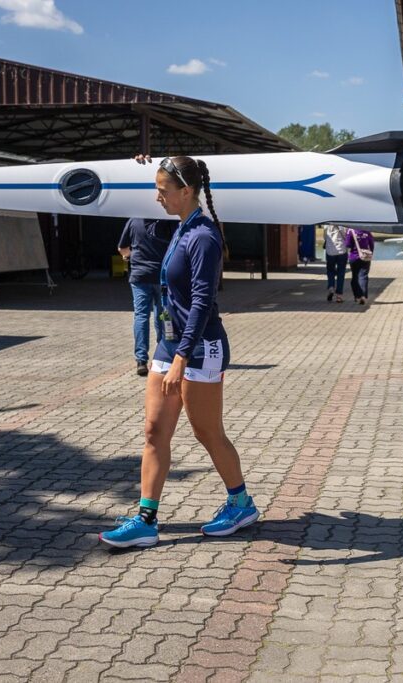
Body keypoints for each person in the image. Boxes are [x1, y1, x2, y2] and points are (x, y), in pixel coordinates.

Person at [99, 154, 258, 549]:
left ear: (186, 192)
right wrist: (145, 156)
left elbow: (203, 302)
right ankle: (145, 519)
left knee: (206, 431)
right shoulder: (182, 227)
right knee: (154, 431)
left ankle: (241, 503)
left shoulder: (203, 235)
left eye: (162, 191)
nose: (157, 198)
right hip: (170, 343)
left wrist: (183, 357)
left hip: (200, 346)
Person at [118, 217, 177, 376]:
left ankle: (141, 360)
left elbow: (122, 248)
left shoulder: (133, 221)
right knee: (162, 316)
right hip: (162, 277)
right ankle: (162, 356)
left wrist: (130, 256)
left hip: (139, 276)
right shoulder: (168, 221)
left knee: (141, 316)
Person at [345, 227, 374, 305]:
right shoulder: (367, 230)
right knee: (363, 276)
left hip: (353, 257)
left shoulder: (350, 230)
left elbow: (347, 244)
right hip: (365, 256)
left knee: (355, 277)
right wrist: (370, 253)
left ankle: (357, 296)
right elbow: (371, 243)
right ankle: (363, 296)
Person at [323, 224, 348, 302]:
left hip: (330, 251)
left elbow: (325, 237)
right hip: (342, 251)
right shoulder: (342, 224)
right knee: (341, 273)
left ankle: (331, 287)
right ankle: (339, 296)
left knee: (330, 271)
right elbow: (345, 236)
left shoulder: (326, 225)